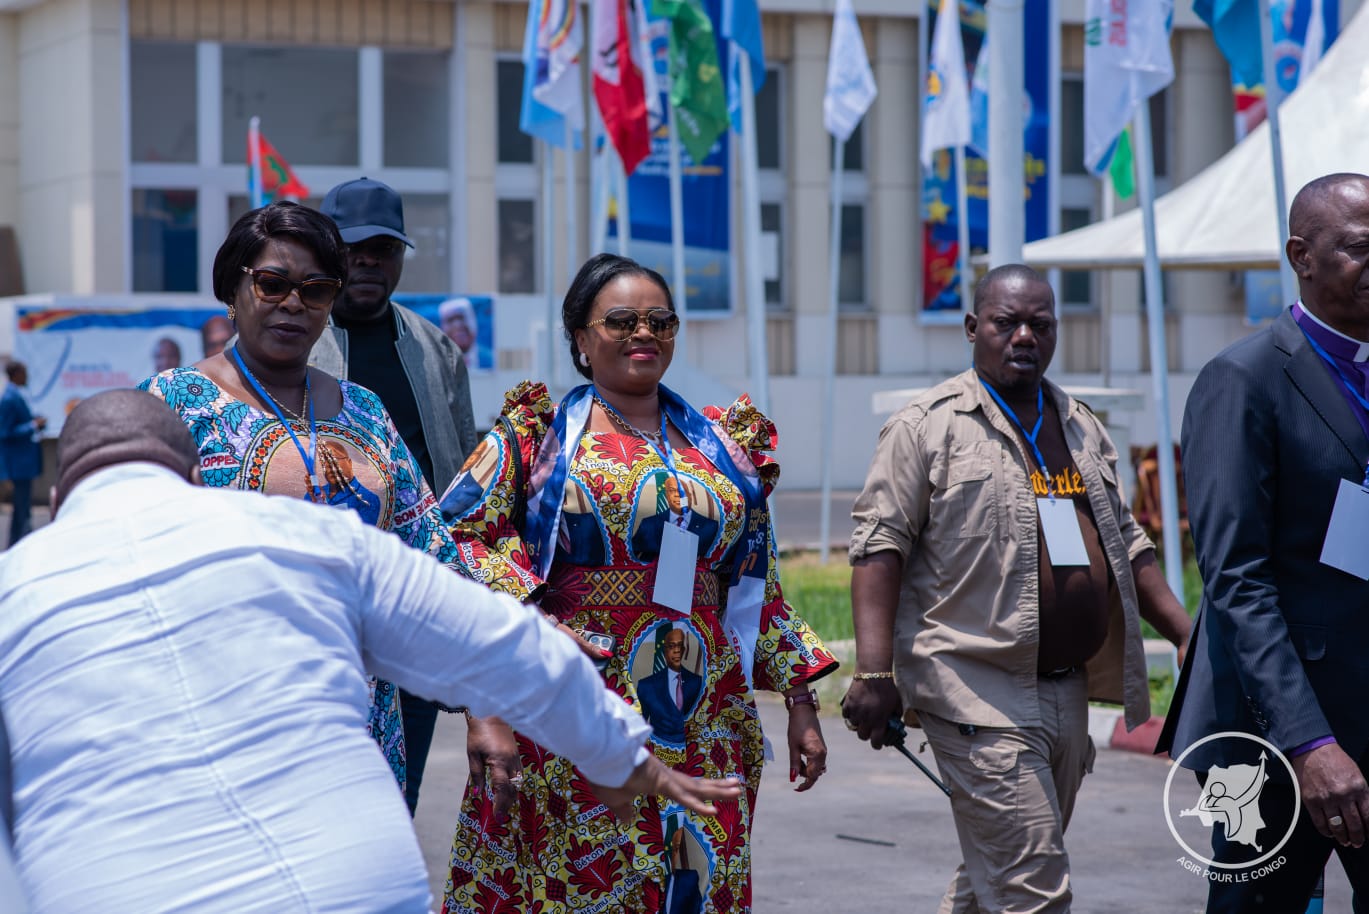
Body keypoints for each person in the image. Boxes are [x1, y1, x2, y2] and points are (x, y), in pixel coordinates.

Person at [0, 389, 741, 913]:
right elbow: (503, 643)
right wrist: (619, 757)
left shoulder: (15, 588)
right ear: (194, 477)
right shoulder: (305, 536)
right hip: (350, 881)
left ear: (58, 502)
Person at [436, 252, 838, 913]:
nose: (643, 333)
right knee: (586, 877)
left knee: (693, 875)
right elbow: (453, 536)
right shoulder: (538, 437)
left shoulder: (720, 446)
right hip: (578, 697)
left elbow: (755, 581)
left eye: (660, 321)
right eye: (621, 320)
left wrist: (800, 702)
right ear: (580, 338)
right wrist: (528, 615)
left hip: (703, 711)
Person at [842, 264, 1191, 914]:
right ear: (973, 327)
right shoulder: (926, 426)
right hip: (974, 689)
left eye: (1040, 324)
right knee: (1034, 887)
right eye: (1007, 323)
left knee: (994, 879)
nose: (1024, 336)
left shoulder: (1079, 425)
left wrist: (1186, 634)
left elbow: (1125, 542)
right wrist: (872, 671)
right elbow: (878, 547)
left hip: (1066, 689)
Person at [140, 200, 462, 796]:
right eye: (273, 283)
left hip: (361, 719)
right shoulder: (172, 402)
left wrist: (513, 654)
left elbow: (433, 552)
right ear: (232, 289)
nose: (294, 303)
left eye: (316, 290)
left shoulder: (364, 409)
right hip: (228, 719)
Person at [1158, 173, 1369, 911]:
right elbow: (1236, 580)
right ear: (1300, 256)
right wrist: (1308, 743)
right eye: (1360, 248)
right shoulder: (1244, 379)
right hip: (1279, 737)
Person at [313, 177, 480, 814]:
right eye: (352, 249)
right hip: (325, 606)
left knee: (395, 795)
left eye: (383, 250)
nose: (368, 263)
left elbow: (465, 479)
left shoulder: (435, 349)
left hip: (413, 605)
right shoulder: (297, 339)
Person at [0, 361, 46, 547]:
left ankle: (15, 545)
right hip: (18, 463)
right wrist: (32, 426)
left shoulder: (16, 395)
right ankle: (23, 546)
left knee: (21, 509)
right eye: (24, 372)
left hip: (23, 463)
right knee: (22, 509)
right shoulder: (9, 398)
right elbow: (5, 432)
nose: (27, 376)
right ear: (16, 374)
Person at [638, 626, 705, 743]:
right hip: (657, 747)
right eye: (671, 646)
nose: (676, 650)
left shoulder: (696, 682)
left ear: (684, 649)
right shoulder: (646, 685)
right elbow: (639, 726)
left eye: (679, 645)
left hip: (690, 747)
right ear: (664, 651)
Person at [438, 296, 478, 366]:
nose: (457, 325)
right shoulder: (436, 363)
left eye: (461, 318)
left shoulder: (490, 360)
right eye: (450, 320)